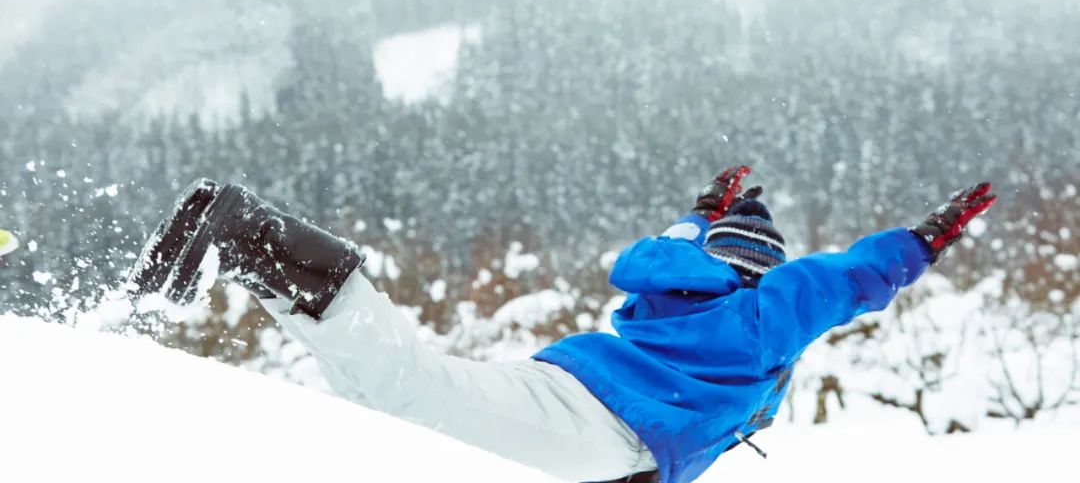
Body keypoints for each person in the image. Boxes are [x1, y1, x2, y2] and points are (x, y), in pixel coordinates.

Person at [127, 166, 996, 483]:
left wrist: (700, 214)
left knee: (388, 395)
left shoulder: (670, 293)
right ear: (756, 268)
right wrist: (920, 244)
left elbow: (677, 249)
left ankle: (244, 250)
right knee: (399, 392)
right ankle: (249, 233)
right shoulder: (763, 318)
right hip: (592, 433)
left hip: (576, 410)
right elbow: (849, 279)